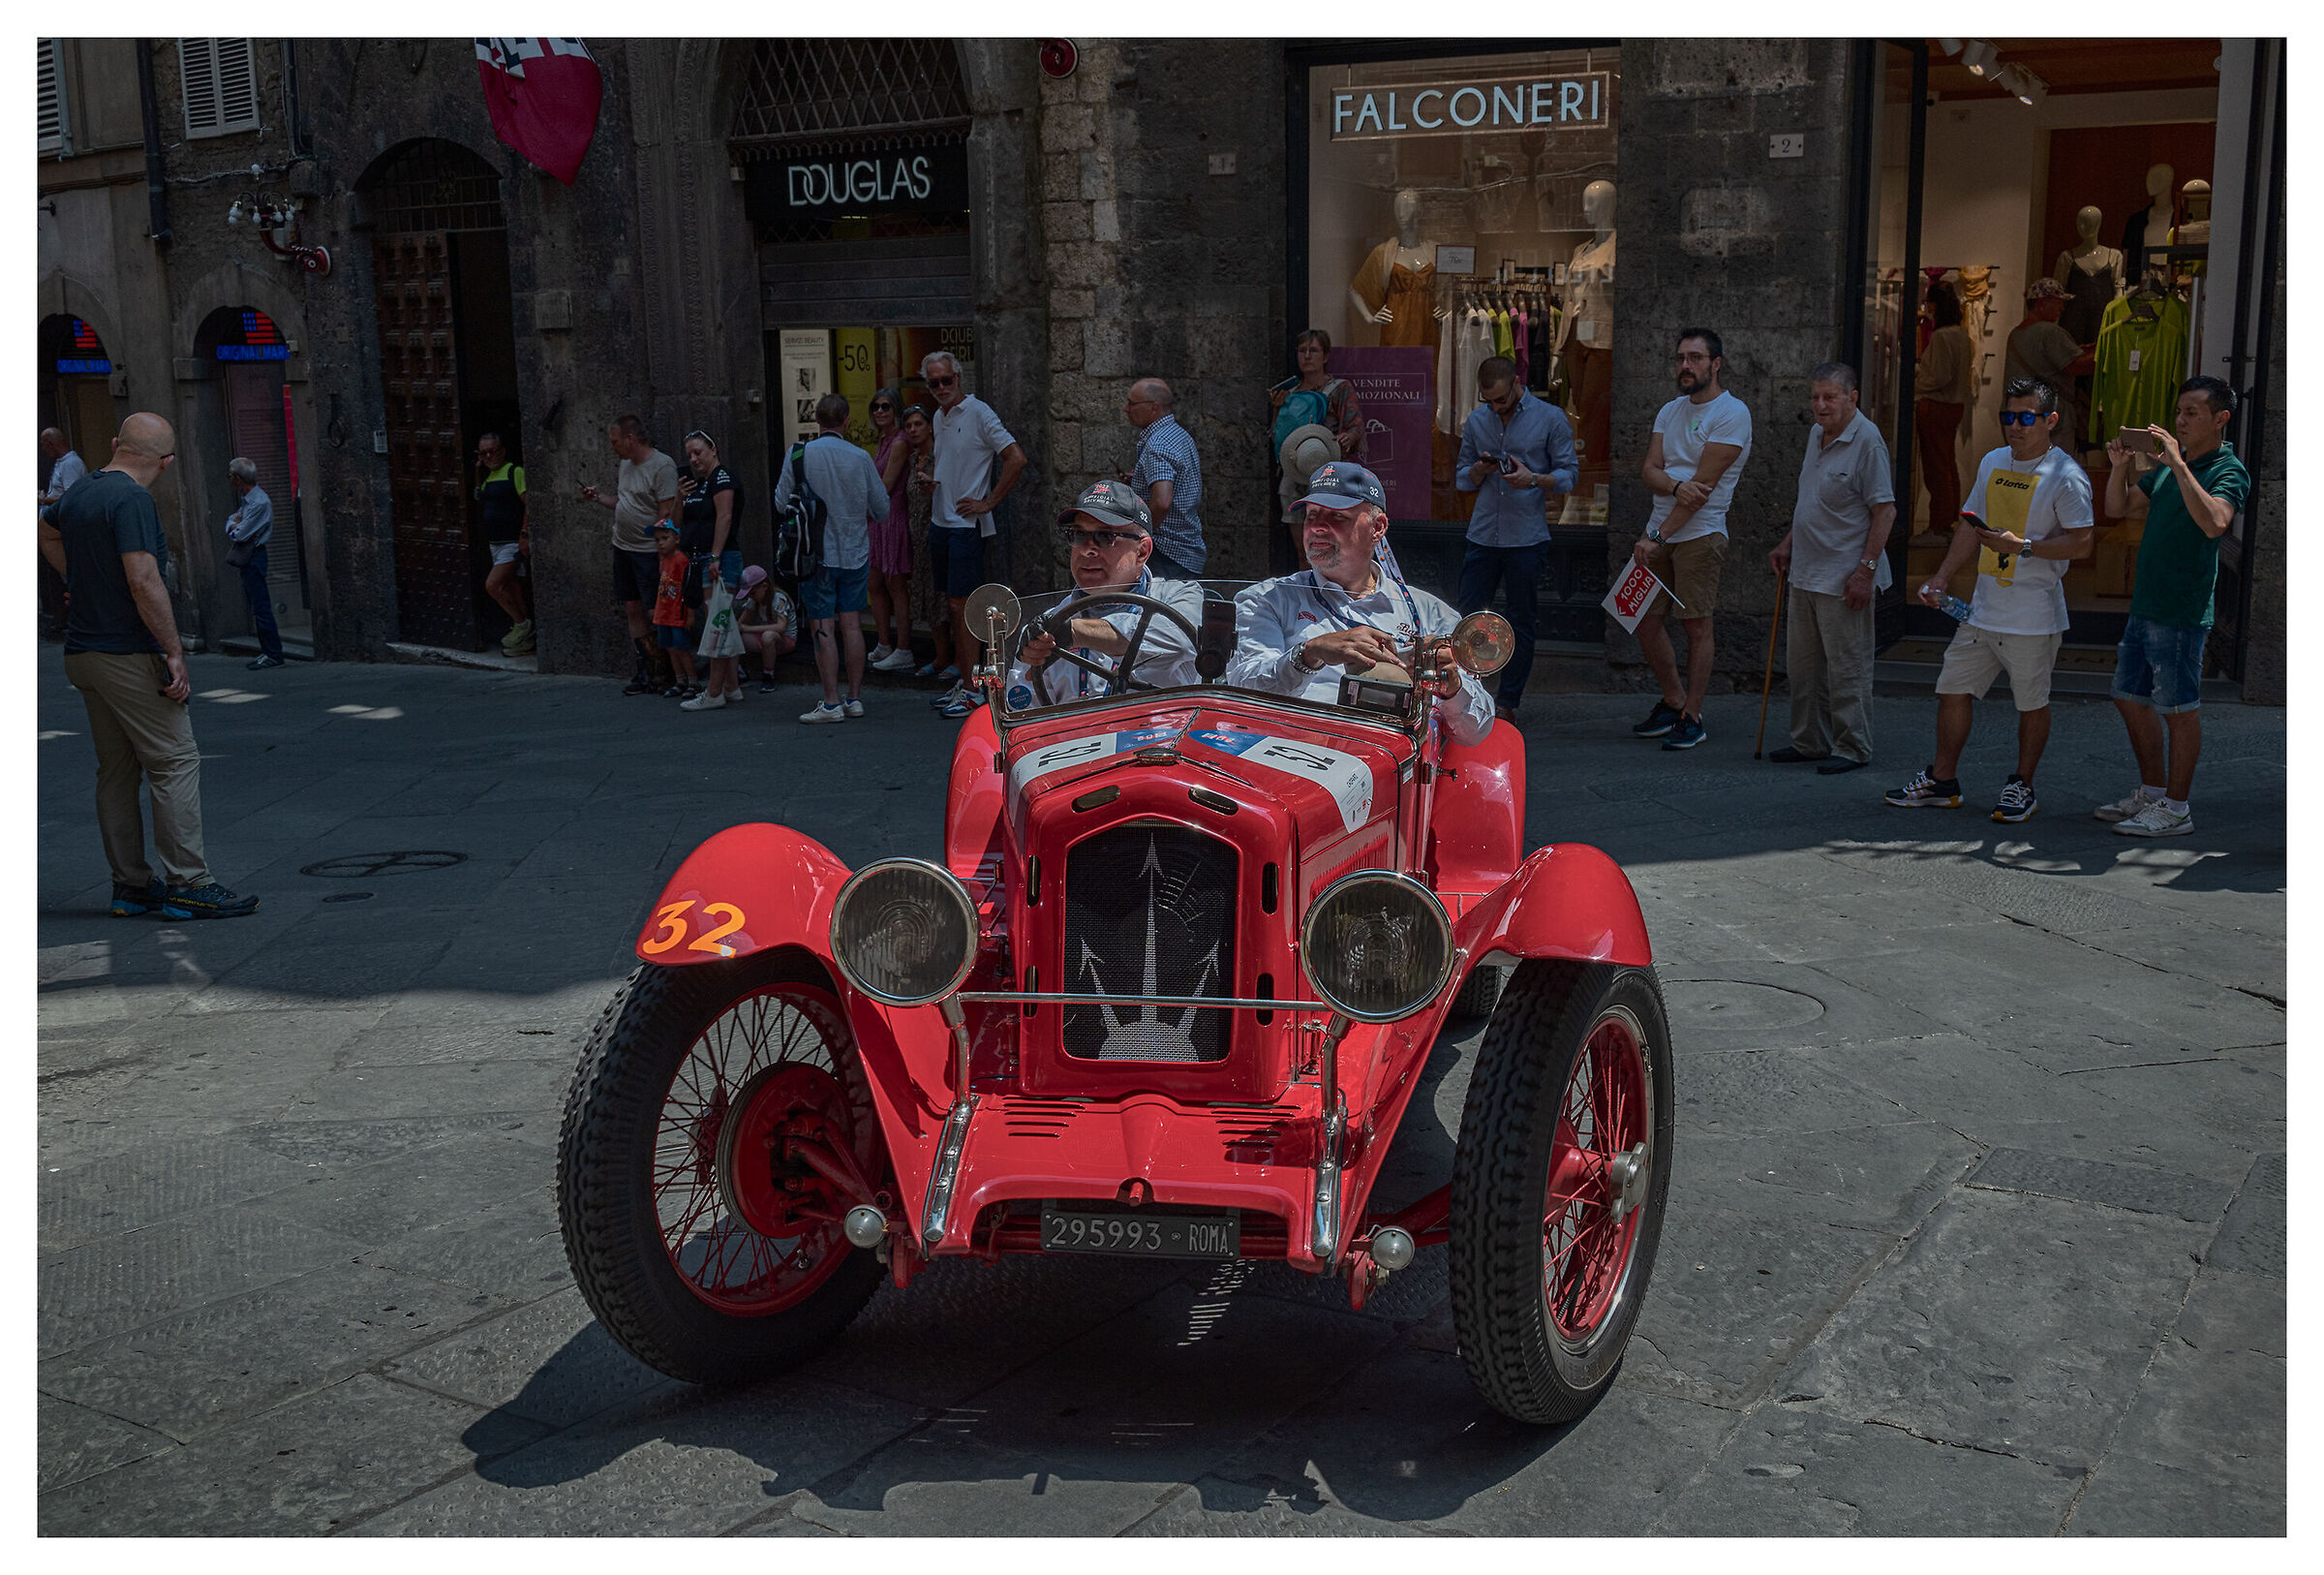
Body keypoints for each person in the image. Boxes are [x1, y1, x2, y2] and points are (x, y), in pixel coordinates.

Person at [36, 414, 257, 919]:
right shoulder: (133, 499)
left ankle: (131, 886)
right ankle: (189, 883)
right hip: (127, 652)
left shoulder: (83, 490)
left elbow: (43, 533)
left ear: (115, 445)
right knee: (175, 761)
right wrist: (174, 650)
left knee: (116, 770)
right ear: (167, 462)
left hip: (84, 654)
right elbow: (143, 579)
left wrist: (80, 578)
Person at [1885, 378, 2094, 822]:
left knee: (2031, 703)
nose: (2014, 427)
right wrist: (1942, 577)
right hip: (1981, 611)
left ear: (2050, 421)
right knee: (1952, 689)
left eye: (2026, 418)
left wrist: (2023, 547)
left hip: (2033, 615)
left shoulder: (2066, 476)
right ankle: (1943, 780)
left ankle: (2022, 784)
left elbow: (2082, 543)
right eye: (2008, 417)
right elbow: (1969, 525)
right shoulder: (1993, 461)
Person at [1228, 460, 1495, 747]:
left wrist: (1450, 687)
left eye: (1336, 516)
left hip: (1391, 766)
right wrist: (1309, 654)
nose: (1317, 527)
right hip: (1290, 757)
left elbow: (1476, 732)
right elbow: (1243, 693)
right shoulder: (1266, 599)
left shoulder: (1430, 612)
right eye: (1312, 515)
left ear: (1377, 527)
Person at [2095, 375, 2250, 838]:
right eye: (2178, 412)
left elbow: (2215, 524)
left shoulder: (2227, 469)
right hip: (2146, 603)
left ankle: (2177, 808)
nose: (2179, 421)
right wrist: (2120, 466)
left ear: (2220, 418)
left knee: (2180, 709)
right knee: (2129, 699)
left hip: (2182, 609)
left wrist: (2180, 466)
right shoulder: (2165, 467)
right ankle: (2153, 791)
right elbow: (2118, 508)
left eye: (2192, 413)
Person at [1765, 362, 1897, 774]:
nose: (1820, 406)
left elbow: (1885, 512)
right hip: (1806, 567)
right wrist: (1788, 542)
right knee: (1804, 667)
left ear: (1852, 398)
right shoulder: (1815, 435)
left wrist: (1865, 572)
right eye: (1815, 397)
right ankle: (1808, 742)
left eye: (1830, 398)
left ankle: (1852, 746)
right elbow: (1811, 500)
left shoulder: (1868, 442)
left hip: (1845, 573)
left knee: (1847, 666)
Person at [1630, 327, 1753, 751]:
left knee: (1697, 627)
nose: (1686, 365)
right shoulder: (1669, 410)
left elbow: (1702, 492)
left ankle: (1693, 716)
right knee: (1643, 621)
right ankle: (1672, 699)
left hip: (1698, 535)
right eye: (1681, 357)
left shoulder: (1732, 413)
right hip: (1658, 531)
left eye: (1696, 358)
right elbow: (1648, 469)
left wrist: (1657, 534)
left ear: (1715, 364)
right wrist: (1674, 487)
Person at [1453, 355, 1577, 721]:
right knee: (1468, 619)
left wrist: (1533, 479)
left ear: (1517, 383)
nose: (1495, 407)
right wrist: (1478, 469)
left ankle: (1508, 703)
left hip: (1525, 537)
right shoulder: (1478, 422)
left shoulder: (1550, 419)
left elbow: (1570, 475)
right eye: (1488, 401)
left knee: (1520, 621)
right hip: (1482, 535)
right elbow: (1462, 478)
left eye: (1502, 400)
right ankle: (1465, 696)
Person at [1007, 481, 1202, 709]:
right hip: (1077, 740)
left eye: (1104, 537)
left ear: (1142, 551)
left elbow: (1177, 639)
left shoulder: (1181, 596)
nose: (1087, 549)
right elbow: (1025, 711)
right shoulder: (1048, 626)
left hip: (1164, 737)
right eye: (1078, 535)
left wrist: (1076, 632)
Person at [776, 392, 891, 725]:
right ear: (846, 422)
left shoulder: (799, 454)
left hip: (815, 554)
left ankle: (830, 702)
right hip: (854, 551)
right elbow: (881, 509)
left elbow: (781, 502)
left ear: (817, 420)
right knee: (852, 623)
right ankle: (854, 698)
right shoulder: (860, 457)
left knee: (822, 624)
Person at [925, 351, 1026, 708]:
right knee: (953, 605)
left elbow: (1015, 456)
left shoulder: (979, 412)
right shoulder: (939, 416)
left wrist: (989, 502)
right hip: (942, 519)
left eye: (945, 380)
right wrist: (933, 483)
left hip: (966, 525)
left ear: (958, 378)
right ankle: (965, 681)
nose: (940, 388)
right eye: (933, 382)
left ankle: (972, 689)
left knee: (962, 605)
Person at [578, 415, 681, 696]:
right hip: (622, 546)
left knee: (654, 610)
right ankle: (645, 669)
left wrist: (663, 558)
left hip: (648, 551)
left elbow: (666, 513)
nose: (612, 447)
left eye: (614, 441)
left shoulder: (662, 466)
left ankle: (668, 671)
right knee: (632, 608)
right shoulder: (625, 465)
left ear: (630, 439)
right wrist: (599, 498)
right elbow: (624, 502)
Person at [1268, 329, 1365, 573]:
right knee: (1304, 549)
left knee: (1334, 547)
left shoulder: (1340, 388)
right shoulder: (1289, 393)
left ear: (1325, 355)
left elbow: (1355, 426)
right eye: (1302, 351)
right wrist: (1277, 409)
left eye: (1314, 350)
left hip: (1330, 476)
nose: (1307, 356)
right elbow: (1276, 435)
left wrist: (1348, 437)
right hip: (1295, 474)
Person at [676, 429, 746, 711]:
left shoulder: (722, 478)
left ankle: (714, 691)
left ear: (713, 449)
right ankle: (731, 686)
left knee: (717, 625)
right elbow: (677, 523)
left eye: (698, 452)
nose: (693, 459)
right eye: (689, 454)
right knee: (719, 622)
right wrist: (680, 498)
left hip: (720, 559)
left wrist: (715, 556)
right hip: (701, 559)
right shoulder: (698, 484)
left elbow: (725, 516)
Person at [1122, 377, 1206, 581]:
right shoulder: (1177, 434)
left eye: (1132, 403)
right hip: (1186, 548)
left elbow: (1161, 502)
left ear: (1154, 407)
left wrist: (1139, 537)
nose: (1126, 408)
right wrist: (1141, 479)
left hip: (1167, 553)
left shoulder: (1157, 445)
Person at [1913, 280, 1972, 535]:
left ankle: (1938, 523)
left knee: (1936, 467)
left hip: (1936, 405)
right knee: (1947, 463)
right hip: (1954, 405)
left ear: (1935, 305)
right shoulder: (1961, 334)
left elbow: (1938, 376)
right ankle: (1946, 518)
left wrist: (1915, 378)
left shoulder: (1941, 336)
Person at [2005, 278, 2091, 449]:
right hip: (2049, 417)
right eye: (2058, 302)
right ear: (2042, 303)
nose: (2062, 308)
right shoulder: (2049, 331)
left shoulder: (2015, 334)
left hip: (2018, 415)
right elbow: (2077, 366)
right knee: (2055, 471)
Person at [901, 407, 953, 682]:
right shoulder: (911, 460)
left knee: (945, 597)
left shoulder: (941, 457)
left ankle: (957, 658)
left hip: (940, 529)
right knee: (929, 598)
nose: (912, 429)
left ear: (930, 426)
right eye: (908, 425)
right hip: (917, 536)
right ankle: (940, 655)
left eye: (918, 424)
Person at [866, 388, 916, 671]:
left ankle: (903, 648)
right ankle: (884, 643)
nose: (880, 411)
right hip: (877, 518)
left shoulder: (899, 441)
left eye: (885, 406)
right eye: (875, 407)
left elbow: (885, 486)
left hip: (892, 516)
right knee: (875, 582)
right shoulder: (883, 440)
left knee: (895, 583)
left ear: (895, 408)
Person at [221, 457, 284, 671]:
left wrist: (233, 525)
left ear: (238, 479)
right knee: (257, 606)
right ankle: (268, 651)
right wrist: (233, 524)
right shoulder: (248, 500)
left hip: (255, 556)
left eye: (230, 476)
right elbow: (232, 520)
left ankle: (273, 653)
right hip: (251, 556)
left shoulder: (259, 502)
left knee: (261, 606)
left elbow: (238, 533)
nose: (229, 481)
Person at [474, 432, 532, 656]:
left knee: (493, 585)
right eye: (484, 453)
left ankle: (522, 626)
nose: (489, 456)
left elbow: (528, 504)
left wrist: (524, 534)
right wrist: (477, 472)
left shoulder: (513, 472)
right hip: (495, 544)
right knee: (512, 588)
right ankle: (526, 637)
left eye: (492, 451)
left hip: (511, 542)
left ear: (502, 451)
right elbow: (480, 497)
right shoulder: (488, 478)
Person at [39, 427, 88, 635]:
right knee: (56, 574)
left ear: (52, 443)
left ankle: (68, 620)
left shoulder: (70, 464)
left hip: (63, 529)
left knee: (63, 573)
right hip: (55, 528)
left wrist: (43, 499)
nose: (43, 449)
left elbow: (71, 496)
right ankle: (63, 620)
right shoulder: (62, 464)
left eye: (44, 444)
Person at [649, 519, 698, 697]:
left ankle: (693, 681)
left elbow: (688, 588)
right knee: (670, 649)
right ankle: (680, 680)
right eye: (657, 540)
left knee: (682, 649)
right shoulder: (665, 561)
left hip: (678, 613)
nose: (660, 543)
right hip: (664, 614)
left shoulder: (681, 560)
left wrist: (690, 614)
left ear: (676, 539)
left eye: (664, 538)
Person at [733, 564, 796, 692]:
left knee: (768, 636)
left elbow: (781, 627)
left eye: (753, 593)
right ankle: (740, 672)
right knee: (736, 635)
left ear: (765, 587)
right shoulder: (753, 600)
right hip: (762, 638)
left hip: (784, 639)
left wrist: (748, 629)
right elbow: (739, 624)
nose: (751, 596)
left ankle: (768, 675)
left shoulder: (779, 599)